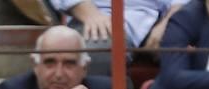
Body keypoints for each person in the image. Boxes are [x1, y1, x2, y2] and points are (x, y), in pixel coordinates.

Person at [51, 0, 184, 76]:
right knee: (98, 53)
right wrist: (90, 14)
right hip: (97, 14)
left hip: (161, 17)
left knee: (185, 52)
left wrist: (169, 21)